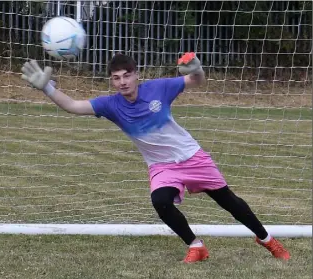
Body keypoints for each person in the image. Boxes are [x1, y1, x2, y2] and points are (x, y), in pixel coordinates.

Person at [21, 52, 290, 263]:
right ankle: (196, 246)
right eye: (116, 78)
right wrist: (48, 89)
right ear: (112, 81)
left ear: (136, 75)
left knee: (229, 202)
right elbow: (73, 106)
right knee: (160, 201)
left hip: (191, 156)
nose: (123, 81)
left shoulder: (159, 88)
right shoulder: (110, 105)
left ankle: (266, 239)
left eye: (127, 75)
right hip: (162, 166)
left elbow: (196, 80)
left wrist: (196, 68)